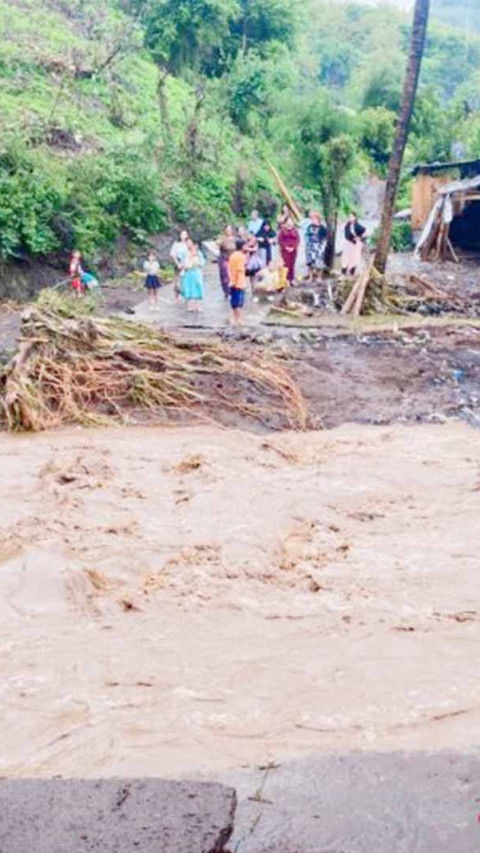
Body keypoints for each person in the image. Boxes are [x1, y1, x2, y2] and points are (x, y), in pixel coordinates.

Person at [228, 238, 247, 326]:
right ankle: (239, 319)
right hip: (239, 283)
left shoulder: (232, 255)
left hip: (232, 281)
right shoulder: (241, 256)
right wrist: (236, 281)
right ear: (242, 246)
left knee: (234, 302)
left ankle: (234, 318)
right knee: (239, 303)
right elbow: (239, 270)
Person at [182, 239, 205, 312]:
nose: (189, 245)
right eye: (187, 243)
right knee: (189, 288)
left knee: (198, 287)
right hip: (188, 272)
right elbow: (183, 263)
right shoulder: (185, 253)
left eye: (190, 243)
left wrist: (198, 263)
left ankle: (198, 305)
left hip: (196, 271)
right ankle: (190, 305)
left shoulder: (198, 253)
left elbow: (202, 262)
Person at [305, 211, 328, 282]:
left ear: (318, 219)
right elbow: (306, 235)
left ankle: (319, 277)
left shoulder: (322, 228)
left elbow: (325, 238)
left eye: (314, 219)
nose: (312, 220)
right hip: (310, 246)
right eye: (311, 219)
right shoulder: (309, 227)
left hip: (319, 246)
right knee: (310, 262)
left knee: (319, 262)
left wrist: (322, 246)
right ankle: (310, 277)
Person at [278, 217, 300, 285]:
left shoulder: (295, 230)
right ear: (286, 223)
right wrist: (285, 247)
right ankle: (286, 279)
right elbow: (280, 240)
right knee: (286, 264)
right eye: (288, 221)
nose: (290, 223)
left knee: (292, 264)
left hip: (293, 250)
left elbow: (298, 240)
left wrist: (293, 247)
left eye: (291, 221)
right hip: (285, 250)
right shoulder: (282, 230)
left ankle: (292, 279)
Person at [217, 225, 236, 300]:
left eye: (230, 230)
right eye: (227, 230)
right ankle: (227, 292)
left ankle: (234, 291)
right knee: (225, 276)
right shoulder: (222, 239)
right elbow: (217, 245)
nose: (228, 231)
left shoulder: (235, 239)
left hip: (234, 259)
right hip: (224, 259)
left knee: (234, 275)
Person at [170, 230, 189, 301]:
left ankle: (186, 295)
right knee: (177, 281)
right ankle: (177, 297)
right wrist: (177, 264)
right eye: (182, 234)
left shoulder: (188, 244)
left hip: (187, 264)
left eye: (185, 234)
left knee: (186, 280)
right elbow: (173, 255)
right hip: (178, 263)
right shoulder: (176, 244)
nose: (183, 236)